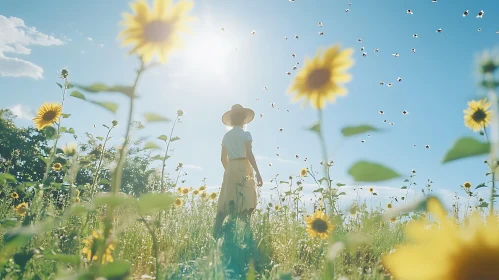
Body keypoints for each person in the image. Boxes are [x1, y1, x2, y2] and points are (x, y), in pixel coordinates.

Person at [214, 104, 263, 238]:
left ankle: (217, 233)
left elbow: (223, 158)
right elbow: (249, 154)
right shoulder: (246, 134)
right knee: (246, 201)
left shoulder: (226, 136)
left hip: (230, 168)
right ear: (243, 119)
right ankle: (245, 235)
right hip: (243, 166)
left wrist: (229, 170)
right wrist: (258, 173)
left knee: (227, 199)